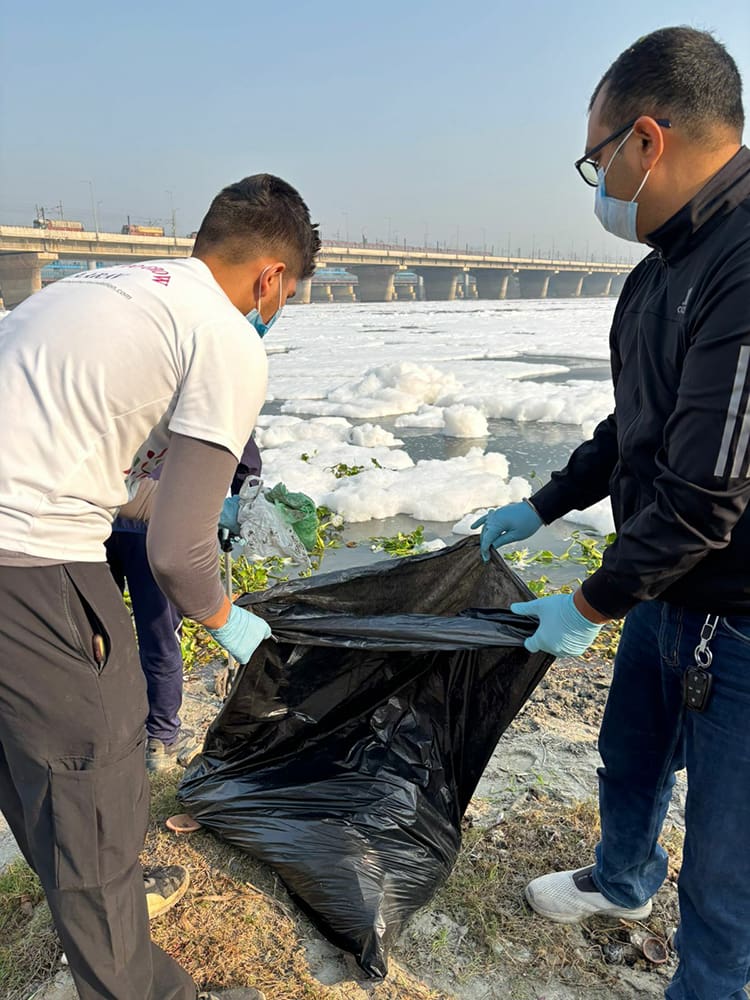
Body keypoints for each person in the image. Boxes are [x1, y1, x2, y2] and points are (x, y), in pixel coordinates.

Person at [473, 27, 750, 999]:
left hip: (740, 612)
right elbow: (632, 430)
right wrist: (542, 504)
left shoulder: (744, 263)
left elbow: (708, 491)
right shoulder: (657, 274)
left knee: (727, 867)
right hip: (662, 587)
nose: (596, 183)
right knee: (629, 754)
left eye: (595, 159)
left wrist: (585, 606)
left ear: (646, 139)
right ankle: (625, 881)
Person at [0, 173, 319, 1000]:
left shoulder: (104, 289)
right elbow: (179, 558)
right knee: (98, 771)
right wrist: (229, 621)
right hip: (31, 567)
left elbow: (104, 481)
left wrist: (180, 504)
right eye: (285, 301)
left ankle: (95, 899)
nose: (275, 316)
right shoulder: (226, 335)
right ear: (272, 279)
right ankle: (129, 964)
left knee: (37, 770)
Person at [106, 435, 263, 773]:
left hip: (94, 515)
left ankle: (106, 732)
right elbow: (238, 447)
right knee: (160, 634)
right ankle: (160, 739)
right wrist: (238, 501)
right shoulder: (195, 382)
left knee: (99, 631)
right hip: (160, 522)